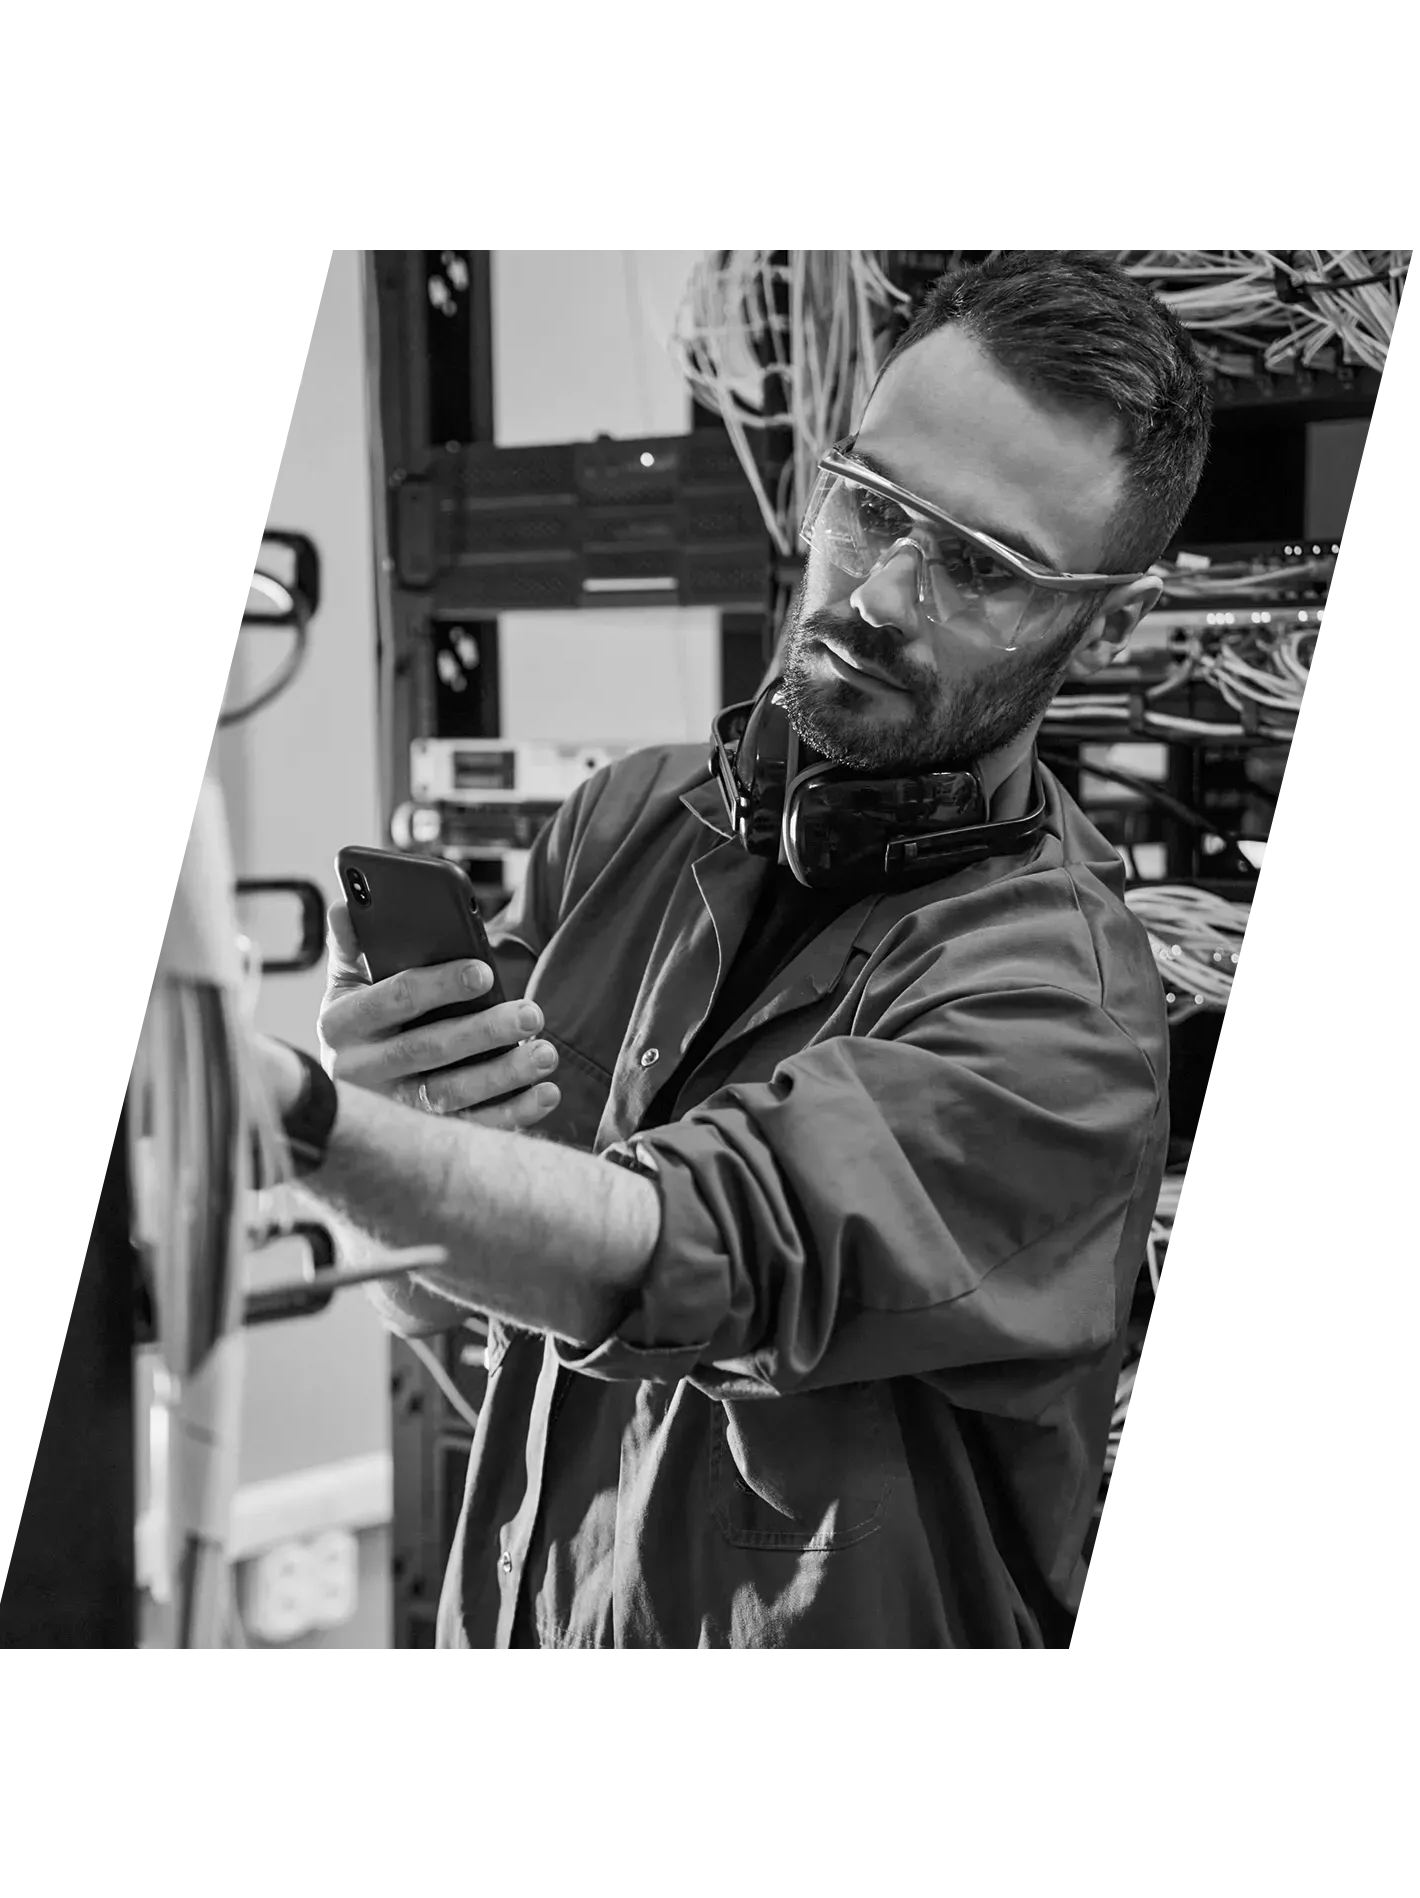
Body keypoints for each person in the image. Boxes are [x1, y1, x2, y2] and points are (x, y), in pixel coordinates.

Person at [253, 249, 1212, 1655]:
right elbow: (458, 1309)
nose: (882, 589)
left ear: (1105, 619)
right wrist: (398, 1133)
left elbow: (687, 1244)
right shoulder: (627, 821)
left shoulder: (1061, 1009)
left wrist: (294, 1112)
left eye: (977, 565)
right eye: (870, 501)